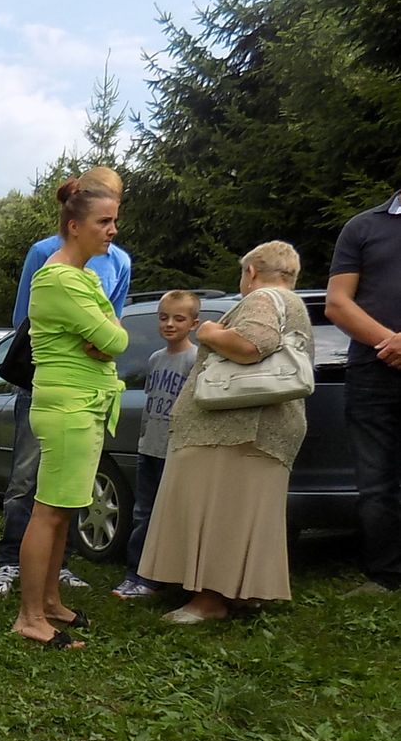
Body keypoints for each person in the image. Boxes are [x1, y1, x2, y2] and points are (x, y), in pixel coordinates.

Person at [141, 242, 314, 622]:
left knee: (218, 511)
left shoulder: (262, 298)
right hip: (263, 430)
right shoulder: (293, 303)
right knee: (244, 515)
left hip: (236, 430)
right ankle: (241, 594)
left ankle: (208, 601)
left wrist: (209, 331)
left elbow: (253, 343)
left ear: (251, 271)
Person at [0, 167, 133, 597]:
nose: (112, 228)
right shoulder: (48, 257)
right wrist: (92, 333)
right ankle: (12, 563)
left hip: (90, 390)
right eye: (104, 218)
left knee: (68, 493)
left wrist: (101, 335)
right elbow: (27, 321)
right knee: (28, 481)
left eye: (115, 215)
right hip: (50, 384)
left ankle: (56, 572)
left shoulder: (116, 262)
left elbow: (114, 325)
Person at [326, 187, 401, 594]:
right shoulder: (363, 227)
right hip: (372, 373)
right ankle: (385, 576)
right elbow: (338, 303)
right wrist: (392, 343)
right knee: (375, 481)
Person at [112, 291, 201, 599]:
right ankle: (135, 573)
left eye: (179, 318)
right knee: (143, 513)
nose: (170, 324)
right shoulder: (155, 359)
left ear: (193, 324)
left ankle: (159, 578)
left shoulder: (195, 360)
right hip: (148, 448)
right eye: (164, 318)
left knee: (170, 517)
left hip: (175, 452)